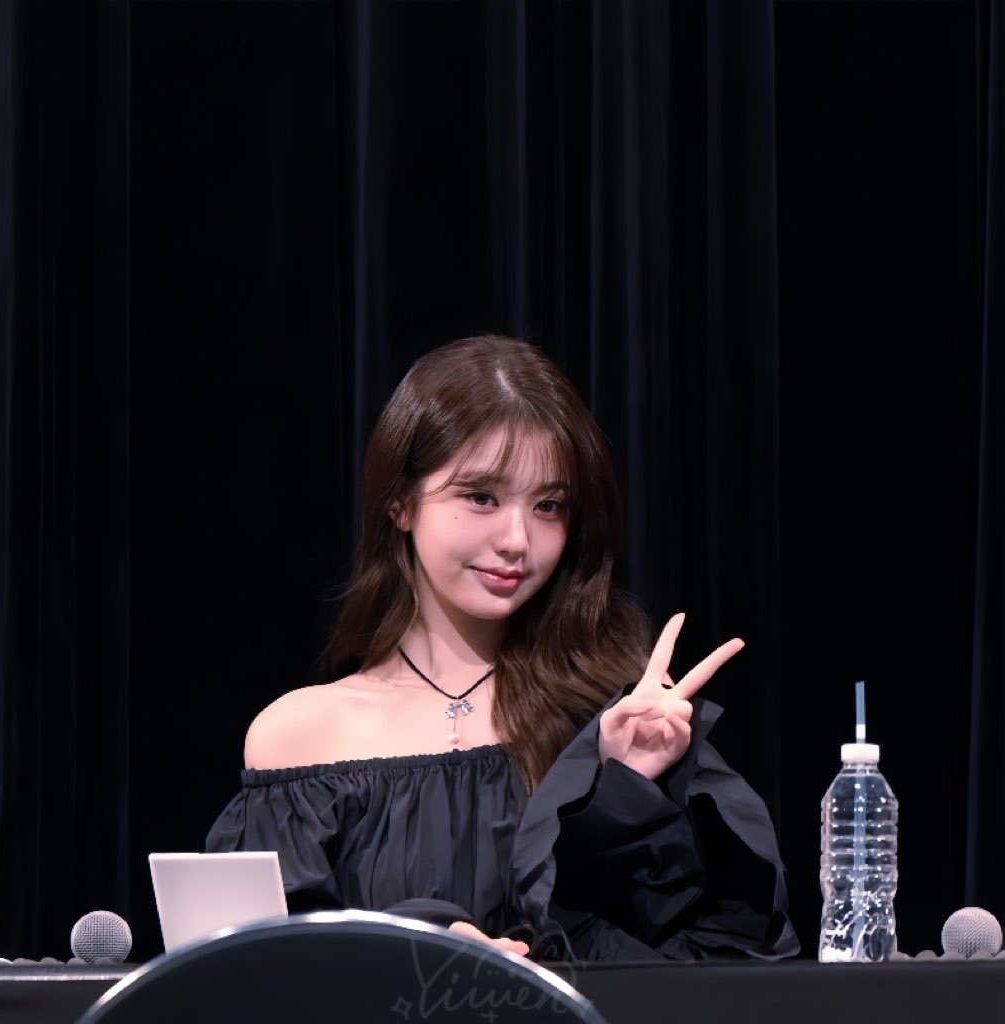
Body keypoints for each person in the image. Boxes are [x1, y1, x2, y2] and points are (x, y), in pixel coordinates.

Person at [206, 335, 799, 962]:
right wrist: (412, 946)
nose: (517, 539)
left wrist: (621, 793)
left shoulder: (612, 718)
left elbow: (710, 956)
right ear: (400, 503)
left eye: (549, 506)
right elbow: (257, 977)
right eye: (481, 497)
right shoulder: (298, 734)